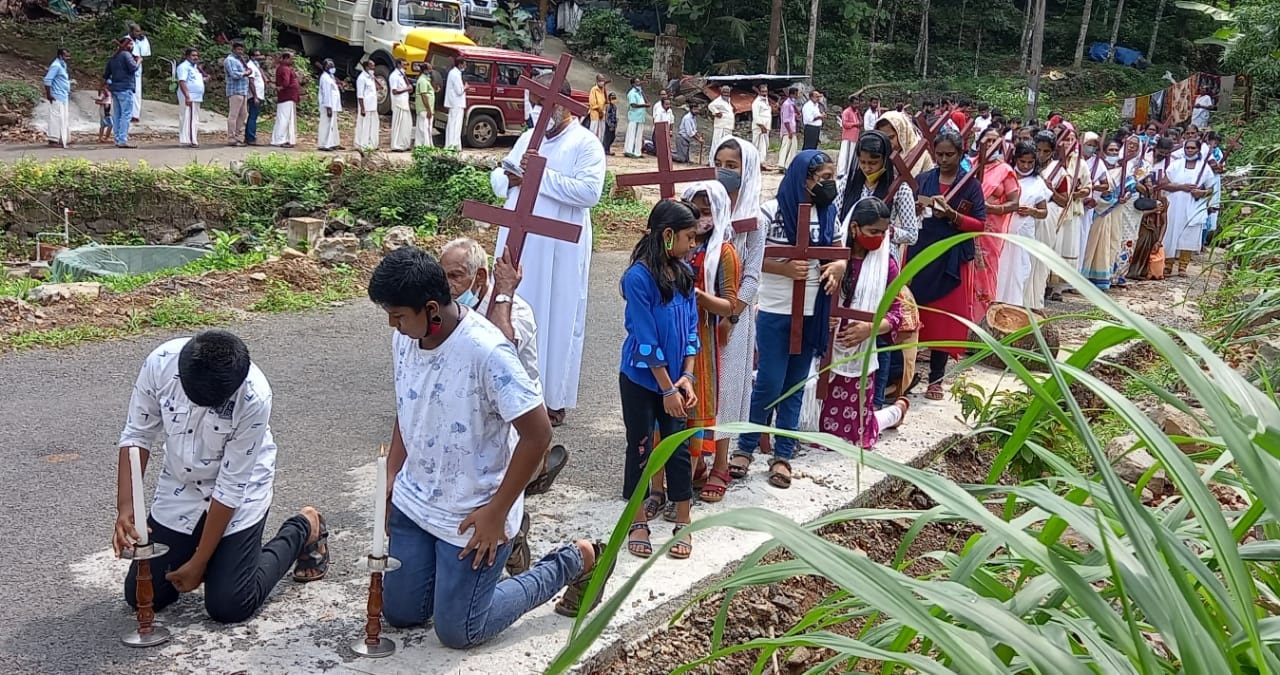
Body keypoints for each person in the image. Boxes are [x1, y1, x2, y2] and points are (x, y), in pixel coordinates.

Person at [367, 247, 614, 645]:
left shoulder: (487, 351)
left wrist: (497, 511)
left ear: (431, 309)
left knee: (461, 630)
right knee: (401, 613)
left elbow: (538, 434)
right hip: (417, 502)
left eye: (397, 316)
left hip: (475, 512)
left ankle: (577, 560)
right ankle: (452, 577)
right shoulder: (406, 340)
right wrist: (393, 474)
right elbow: (409, 405)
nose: (392, 326)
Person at [114, 331, 330, 624]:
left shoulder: (255, 396)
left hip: (242, 488)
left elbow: (230, 487)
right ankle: (215, 554)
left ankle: (304, 527)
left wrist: (199, 561)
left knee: (229, 604)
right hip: (182, 486)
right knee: (143, 594)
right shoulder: (160, 363)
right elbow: (137, 435)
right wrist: (126, 507)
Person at [490, 72, 606, 428]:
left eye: (543, 103)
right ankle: (506, 393)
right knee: (511, 308)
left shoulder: (585, 143)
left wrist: (537, 177)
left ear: (563, 105)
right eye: (535, 102)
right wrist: (509, 177)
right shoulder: (528, 138)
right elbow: (499, 179)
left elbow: (589, 192)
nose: (536, 110)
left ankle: (550, 399)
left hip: (559, 249)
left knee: (556, 316)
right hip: (520, 241)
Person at [732, 150, 845, 489]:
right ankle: (746, 446)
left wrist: (838, 268)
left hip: (812, 311)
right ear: (803, 178)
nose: (829, 184)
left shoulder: (829, 213)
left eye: (832, 177)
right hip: (776, 309)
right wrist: (782, 268)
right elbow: (749, 255)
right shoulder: (772, 212)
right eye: (823, 178)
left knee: (796, 384)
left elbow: (839, 252)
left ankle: (783, 454)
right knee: (769, 381)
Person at [619, 200, 701, 559]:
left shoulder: (684, 273)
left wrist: (687, 377)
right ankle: (637, 520)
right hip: (641, 381)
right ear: (668, 235)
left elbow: (692, 329)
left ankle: (683, 519)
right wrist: (666, 388)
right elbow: (646, 339)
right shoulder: (637, 279)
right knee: (640, 447)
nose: (693, 244)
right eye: (688, 237)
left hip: (676, 382)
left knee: (677, 447)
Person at [836, 129, 920, 406]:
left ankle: (875, 402)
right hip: (850, 261)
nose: (868, 168)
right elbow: (837, 219)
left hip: (883, 267)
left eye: (873, 162)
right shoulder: (847, 185)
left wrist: (883, 232)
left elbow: (912, 233)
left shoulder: (900, 189)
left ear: (885, 160)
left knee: (881, 335)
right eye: (863, 162)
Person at [820, 197, 910, 448]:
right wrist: (822, 318)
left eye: (883, 232)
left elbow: (896, 314)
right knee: (814, 427)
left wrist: (869, 329)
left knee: (856, 434)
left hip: (859, 355)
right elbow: (813, 298)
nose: (879, 238)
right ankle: (894, 413)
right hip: (824, 352)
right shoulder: (834, 258)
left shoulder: (887, 266)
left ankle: (895, 412)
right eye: (873, 232)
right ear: (854, 228)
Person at [906, 130, 988, 401]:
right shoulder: (924, 179)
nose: (943, 160)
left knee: (942, 317)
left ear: (960, 154)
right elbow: (906, 213)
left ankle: (936, 378)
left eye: (949, 155)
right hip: (922, 251)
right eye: (939, 154)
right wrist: (917, 209)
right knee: (913, 312)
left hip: (951, 254)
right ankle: (904, 375)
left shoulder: (970, 185)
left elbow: (980, 224)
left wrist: (953, 216)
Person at [679, 181, 740, 505]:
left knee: (696, 408)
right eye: (696, 212)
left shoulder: (724, 253)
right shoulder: (675, 246)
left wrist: (699, 296)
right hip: (670, 338)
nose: (702, 219)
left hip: (702, 341)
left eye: (708, 212)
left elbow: (730, 305)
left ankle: (683, 485)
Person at [709, 137, 763, 496]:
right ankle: (694, 458)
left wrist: (731, 317)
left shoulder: (754, 220)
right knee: (700, 384)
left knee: (727, 389)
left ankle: (720, 464)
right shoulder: (704, 206)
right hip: (699, 312)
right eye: (719, 164)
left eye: (732, 166)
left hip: (734, 319)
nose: (724, 171)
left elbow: (752, 276)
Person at [974, 126, 1021, 316]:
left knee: (986, 270)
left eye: (995, 141)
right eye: (987, 140)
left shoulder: (1004, 170)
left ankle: (984, 315)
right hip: (967, 226)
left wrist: (992, 208)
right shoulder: (968, 165)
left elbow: (1014, 203)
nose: (990, 145)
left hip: (990, 230)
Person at [998, 141, 1050, 307]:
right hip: (1001, 230)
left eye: (1030, 162)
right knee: (999, 269)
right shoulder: (1005, 176)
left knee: (1018, 272)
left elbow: (1044, 212)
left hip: (1023, 233)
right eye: (1022, 161)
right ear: (1016, 159)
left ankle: (1014, 307)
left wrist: (1032, 211)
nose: (1026, 166)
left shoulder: (1037, 182)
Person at [1161, 137, 1214, 277]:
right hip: (1175, 205)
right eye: (1187, 148)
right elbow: (1164, 184)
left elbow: (1210, 189)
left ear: (1198, 150)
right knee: (1171, 233)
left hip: (1193, 206)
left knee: (1189, 235)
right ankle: (1168, 264)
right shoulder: (1176, 165)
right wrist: (1180, 187)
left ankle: (1183, 266)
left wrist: (1201, 193)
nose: (1190, 150)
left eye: (1193, 148)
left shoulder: (1205, 168)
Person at [1081, 139, 1129, 289]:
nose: (1113, 153)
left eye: (1116, 151)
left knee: (1102, 243)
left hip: (1104, 211)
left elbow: (1110, 189)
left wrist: (1119, 197)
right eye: (1111, 150)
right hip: (1084, 208)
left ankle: (1095, 277)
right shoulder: (1083, 163)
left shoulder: (1117, 170)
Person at [875, 111, 935, 177]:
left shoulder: (921, 154)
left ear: (902, 134)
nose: (887, 142)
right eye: (883, 138)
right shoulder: (881, 156)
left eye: (891, 137)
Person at [104, 38, 138, 148]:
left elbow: (106, 74)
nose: (132, 46)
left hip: (115, 89)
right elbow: (133, 68)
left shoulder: (114, 57)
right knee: (126, 114)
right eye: (130, 44)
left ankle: (117, 138)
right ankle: (122, 139)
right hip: (125, 88)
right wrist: (139, 61)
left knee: (117, 115)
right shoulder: (126, 55)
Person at [175, 48, 205, 149]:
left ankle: (188, 139)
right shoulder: (183, 67)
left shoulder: (195, 67)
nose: (196, 57)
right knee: (189, 118)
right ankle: (190, 140)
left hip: (196, 96)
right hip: (189, 96)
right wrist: (187, 96)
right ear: (187, 56)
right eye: (193, 55)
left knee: (193, 118)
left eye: (197, 55)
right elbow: (182, 82)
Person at [43, 48, 71, 148]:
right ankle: (53, 140)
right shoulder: (56, 66)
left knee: (63, 117)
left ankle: (63, 138)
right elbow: (47, 80)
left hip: (63, 95)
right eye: (66, 56)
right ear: (60, 56)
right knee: (55, 118)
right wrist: (49, 95)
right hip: (56, 95)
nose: (68, 58)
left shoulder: (63, 65)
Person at [122, 23, 150, 123]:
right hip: (127, 68)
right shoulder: (126, 40)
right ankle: (127, 113)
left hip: (137, 68)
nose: (138, 33)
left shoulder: (140, 40)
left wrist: (143, 40)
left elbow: (145, 53)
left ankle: (135, 115)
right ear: (131, 31)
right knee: (127, 92)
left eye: (139, 31)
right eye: (136, 31)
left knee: (137, 92)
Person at [223, 43, 250, 147]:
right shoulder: (229, 60)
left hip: (243, 90)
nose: (240, 51)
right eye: (238, 49)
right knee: (233, 114)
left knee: (243, 114)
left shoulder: (240, 60)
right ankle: (231, 138)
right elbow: (233, 74)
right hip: (235, 90)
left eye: (242, 49)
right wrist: (245, 73)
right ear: (233, 49)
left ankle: (237, 135)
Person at [272, 51, 299, 148]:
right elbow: (286, 82)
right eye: (291, 58)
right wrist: (282, 87)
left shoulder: (284, 68)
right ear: (285, 59)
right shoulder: (284, 69)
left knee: (285, 118)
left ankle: (285, 138)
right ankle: (280, 139)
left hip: (288, 97)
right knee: (284, 118)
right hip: (287, 96)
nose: (292, 60)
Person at [355, 61, 380, 150]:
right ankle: (363, 144)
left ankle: (372, 144)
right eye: (371, 66)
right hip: (366, 106)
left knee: (373, 125)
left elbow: (380, 87)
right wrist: (362, 108)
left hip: (373, 106)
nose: (374, 68)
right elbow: (360, 95)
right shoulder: (362, 78)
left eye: (374, 66)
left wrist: (374, 78)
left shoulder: (371, 77)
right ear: (366, 67)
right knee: (365, 126)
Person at [389, 59, 413, 151]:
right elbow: (394, 91)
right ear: (399, 65)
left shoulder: (402, 76)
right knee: (398, 124)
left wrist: (408, 88)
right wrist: (407, 89)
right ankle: (395, 145)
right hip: (398, 103)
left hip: (404, 103)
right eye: (404, 64)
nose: (405, 66)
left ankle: (404, 144)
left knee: (406, 124)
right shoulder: (394, 76)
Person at [317, 59, 341, 151]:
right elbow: (326, 93)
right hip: (328, 105)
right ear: (325, 67)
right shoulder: (325, 78)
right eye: (329, 66)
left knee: (333, 124)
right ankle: (324, 144)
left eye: (332, 66)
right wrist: (328, 107)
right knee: (326, 124)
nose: (332, 68)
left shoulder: (331, 77)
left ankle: (333, 142)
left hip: (333, 105)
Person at [836, 95, 862, 182]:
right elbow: (845, 124)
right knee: (845, 155)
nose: (856, 105)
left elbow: (859, 122)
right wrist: (855, 124)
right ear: (850, 103)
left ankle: (849, 172)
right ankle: (842, 173)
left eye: (857, 103)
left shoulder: (856, 112)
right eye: (855, 104)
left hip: (855, 137)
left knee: (851, 155)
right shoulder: (846, 112)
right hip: (848, 137)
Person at [444, 56, 467, 150]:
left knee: (453, 124)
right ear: (460, 64)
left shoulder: (453, 72)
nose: (465, 66)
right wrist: (465, 87)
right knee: (455, 125)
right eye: (464, 64)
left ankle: (453, 144)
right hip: (456, 103)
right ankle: (453, 145)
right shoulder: (456, 74)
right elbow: (459, 91)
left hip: (454, 103)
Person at [244, 49, 266, 145]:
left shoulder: (256, 65)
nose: (259, 57)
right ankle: (250, 138)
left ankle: (249, 137)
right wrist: (255, 96)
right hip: (254, 95)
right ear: (252, 56)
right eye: (257, 55)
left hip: (258, 94)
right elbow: (251, 82)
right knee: (253, 116)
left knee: (253, 116)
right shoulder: (250, 66)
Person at [624, 77, 648, 158]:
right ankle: (631, 151)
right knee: (633, 135)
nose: (639, 84)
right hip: (635, 117)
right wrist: (644, 105)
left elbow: (646, 101)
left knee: (639, 135)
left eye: (639, 82)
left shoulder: (639, 92)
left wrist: (642, 91)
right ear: (633, 84)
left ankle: (637, 152)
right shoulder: (632, 93)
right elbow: (633, 105)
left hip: (640, 117)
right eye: (637, 82)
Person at [413, 63, 435, 148]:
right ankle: (427, 146)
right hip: (425, 109)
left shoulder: (426, 80)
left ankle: (420, 146)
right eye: (430, 69)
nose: (431, 71)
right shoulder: (423, 81)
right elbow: (424, 95)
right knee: (426, 128)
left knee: (421, 128)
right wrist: (428, 109)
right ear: (425, 70)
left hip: (423, 108)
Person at [751, 84, 772, 168]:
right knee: (757, 145)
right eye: (762, 91)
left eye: (766, 91)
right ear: (759, 92)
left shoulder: (766, 101)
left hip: (766, 127)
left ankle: (761, 162)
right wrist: (761, 126)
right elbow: (756, 116)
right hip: (759, 128)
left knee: (765, 145)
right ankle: (756, 163)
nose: (764, 93)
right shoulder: (756, 102)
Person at [777, 88, 799, 170]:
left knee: (792, 148)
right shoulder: (787, 104)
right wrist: (789, 131)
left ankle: (788, 164)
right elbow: (785, 119)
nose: (797, 96)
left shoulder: (791, 104)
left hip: (792, 129)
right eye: (796, 94)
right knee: (786, 147)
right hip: (788, 130)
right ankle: (782, 164)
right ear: (792, 94)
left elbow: (796, 114)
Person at [708, 85, 734, 151]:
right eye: (724, 92)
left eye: (727, 92)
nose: (726, 94)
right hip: (721, 127)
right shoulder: (718, 100)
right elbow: (710, 106)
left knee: (726, 144)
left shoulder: (728, 101)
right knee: (718, 143)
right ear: (721, 92)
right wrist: (716, 112)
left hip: (728, 127)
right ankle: (714, 157)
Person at [588, 75, 608, 141]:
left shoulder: (603, 89)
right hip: (595, 114)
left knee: (601, 132)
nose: (602, 82)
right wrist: (599, 111)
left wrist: (603, 112)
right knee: (593, 131)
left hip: (602, 114)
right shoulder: (593, 90)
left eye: (603, 80)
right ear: (597, 81)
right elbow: (593, 103)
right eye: (600, 81)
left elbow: (606, 101)